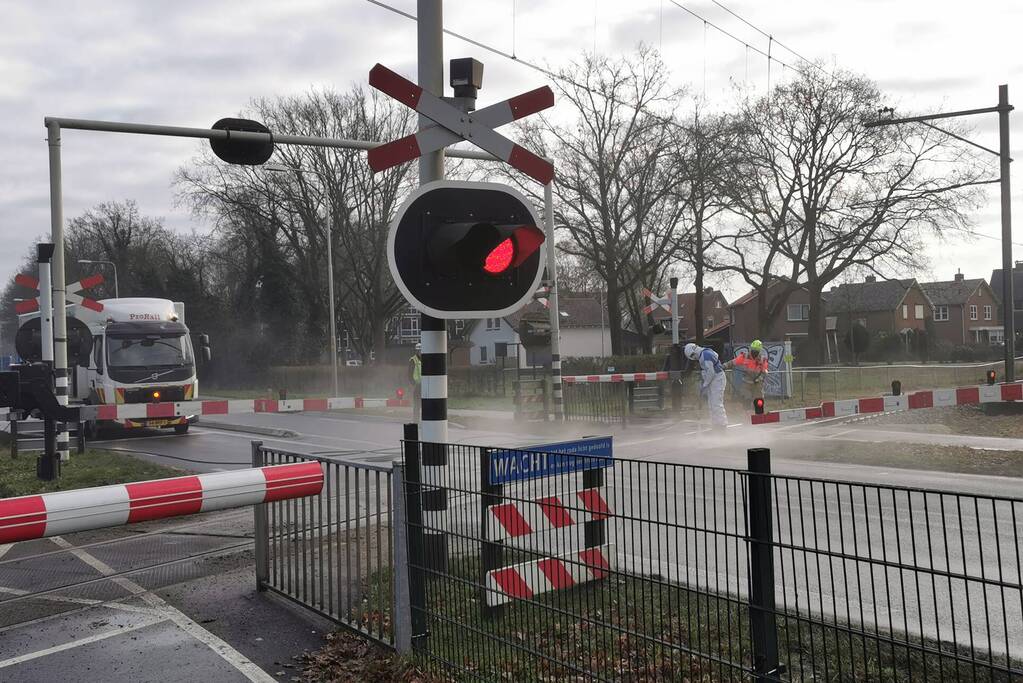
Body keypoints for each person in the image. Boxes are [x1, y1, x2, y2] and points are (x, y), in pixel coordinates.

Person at [685, 342, 728, 428]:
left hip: (717, 380)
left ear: (693, 354)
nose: (694, 359)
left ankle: (722, 425)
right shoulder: (706, 352)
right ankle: (715, 424)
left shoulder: (705, 355)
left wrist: (705, 385)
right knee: (711, 403)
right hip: (715, 380)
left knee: (716, 403)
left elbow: (711, 372)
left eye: (693, 357)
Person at [409, 343, 422, 421]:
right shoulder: (413, 360)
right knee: (417, 404)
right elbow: (409, 374)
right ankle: (416, 420)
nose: (420, 351)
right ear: (416, 351)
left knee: (425, 404)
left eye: (421, 350)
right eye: (418, 350)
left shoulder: (426, 359)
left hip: (425, 385)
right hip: (417, 385)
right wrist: (413, 383)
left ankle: (425, 420)